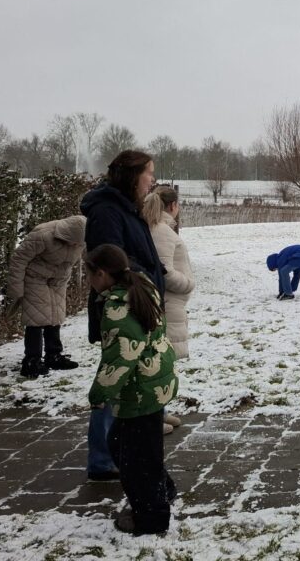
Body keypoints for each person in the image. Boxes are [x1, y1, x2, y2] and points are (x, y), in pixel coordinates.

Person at [80, 150, 165, 481]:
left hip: (139, 306)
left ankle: (131, 450)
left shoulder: (128, 208)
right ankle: (103, 460)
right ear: (132, 176)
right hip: (123, 311)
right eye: (149, 173)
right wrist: (144, 274)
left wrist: (158, 271)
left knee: (137, 380)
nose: (153, 180)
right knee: (116, 381)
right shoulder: (106, 212)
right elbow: (110, 261)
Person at [85, 244, 178, 536]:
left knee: (137, 458)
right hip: (154, 380)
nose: (88, 280)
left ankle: (151, 517)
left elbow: (120, 358)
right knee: (127, 445)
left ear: (101, 273)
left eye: (88, 274)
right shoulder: (140, 283)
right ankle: (163, 490)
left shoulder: (117, 307)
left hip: (140, 389)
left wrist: (98, 395)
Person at [6, 215, 87, 378]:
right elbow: (19, 259)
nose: (77, 245)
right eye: (75, 242)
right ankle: (32, 361)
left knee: (55, 316)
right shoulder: (43, 235)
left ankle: (53, 356)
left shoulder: (83, 238)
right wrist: (16, 288)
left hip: (58, 281)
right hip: (35, 278)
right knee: (36, 318)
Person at [142, 186, 194, 434]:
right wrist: (187, 284)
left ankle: (159, 412)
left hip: (169, 303)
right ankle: (152, 418)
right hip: (168, 302)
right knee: (159, 363)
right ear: (173, 206)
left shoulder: (157, 228)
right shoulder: (161, 231)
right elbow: (163, 270)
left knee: (161, 362)